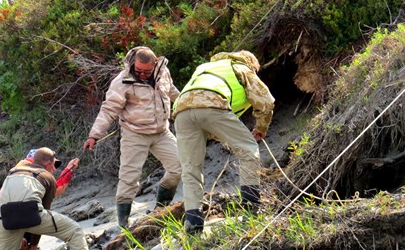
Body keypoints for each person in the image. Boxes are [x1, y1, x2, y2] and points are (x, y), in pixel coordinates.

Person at [172, 50, 275, 233]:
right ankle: (251, 209)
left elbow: (203, 115)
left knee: (190, 168)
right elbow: (265, 101)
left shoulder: (205, 68)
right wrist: (261, 128)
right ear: (252, 64)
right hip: (211, 105)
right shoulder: (241, 67)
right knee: (249, 149)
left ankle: (193, 222)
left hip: (182, 113)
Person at [83, 46, 182, 227]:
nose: (143, 74)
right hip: (134, 134)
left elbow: (172, 91)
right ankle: (123, 223)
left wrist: (186, 102)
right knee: (129, 179)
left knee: (178, 167)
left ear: (155, 65)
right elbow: (109, 109)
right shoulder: (122, 81)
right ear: (132, 64)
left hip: (162, 132)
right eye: (139, 71)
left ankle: (161, 208)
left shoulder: (163, 72)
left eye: (147, 71)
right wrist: (94, 135)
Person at [0, 147, 90, 250]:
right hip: (30, 214)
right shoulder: (47, 176)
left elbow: (0, 204)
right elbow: (43, 212)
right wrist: (34, 244)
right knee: (74, 230)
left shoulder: (13, 172)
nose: (55, 169)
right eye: (54, 165)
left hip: (3, 218)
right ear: (48, 163)